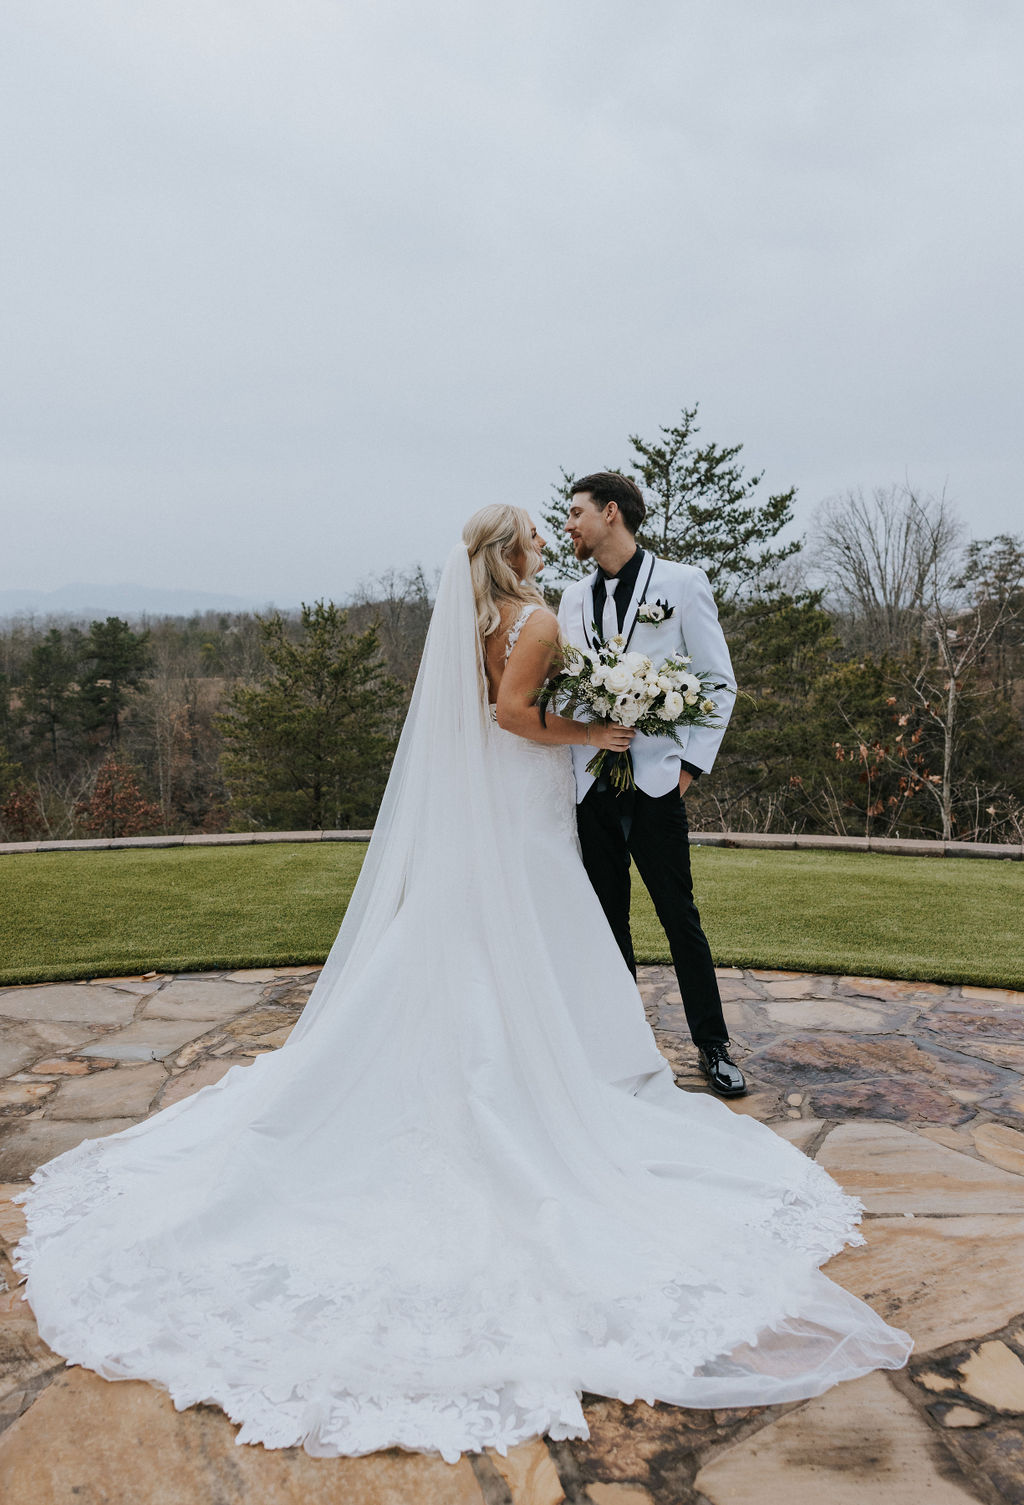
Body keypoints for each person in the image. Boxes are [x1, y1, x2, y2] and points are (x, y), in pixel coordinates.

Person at [14, 505, 911, 1464]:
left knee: (489, 938)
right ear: (511, 551)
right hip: (528, 803)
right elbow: (513, 717)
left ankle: (521, 1052)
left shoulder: (482, 621)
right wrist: (595, 728)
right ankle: (536, 1072)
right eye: (534, 533)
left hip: (516, 801)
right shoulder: (538, 619)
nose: (548, 538)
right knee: (532, 931)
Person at [557, 473, 745, 1097]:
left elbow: (719, 682)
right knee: (606, 923)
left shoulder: (682, 584)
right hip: (591, 788)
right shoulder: (572, 598)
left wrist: (689, 769)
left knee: (679, 919)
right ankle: (622, 1048)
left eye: (576, 513)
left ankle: (713, 1046)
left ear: (610, 513)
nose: (568, 525)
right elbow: (565, 687)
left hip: (659, 786)